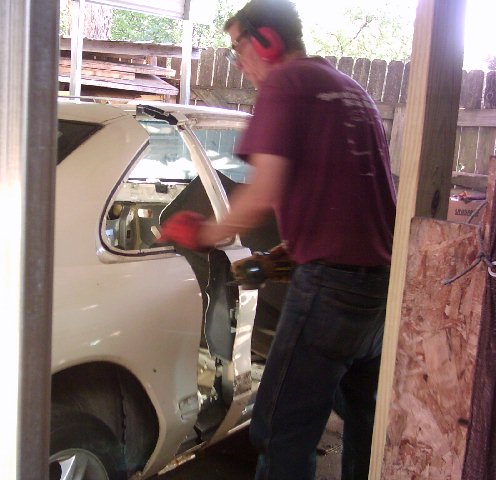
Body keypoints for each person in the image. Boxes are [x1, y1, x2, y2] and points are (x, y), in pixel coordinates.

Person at [159, 0, 397, 479]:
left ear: (266, 41)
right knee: (366, 422)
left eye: (236, 49)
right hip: (380, 288)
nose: (238, 63)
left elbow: (265, 190)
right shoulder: (351, 91)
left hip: (331, 291)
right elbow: (355, 195)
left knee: (281, 430)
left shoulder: (286, 84)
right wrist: (288, 253)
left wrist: (205, 232)